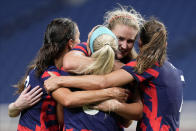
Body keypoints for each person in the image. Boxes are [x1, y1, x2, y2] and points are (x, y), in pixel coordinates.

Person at [44, 18, 185, 131]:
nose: (123, 45)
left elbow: (129, 119)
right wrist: (108, 67)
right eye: (120, 38)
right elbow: (69, 63)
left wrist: (115, 106)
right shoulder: (88, 47)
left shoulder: (137, 67)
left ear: (139, 43)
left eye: (130, 41)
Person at [9, 18, 81, 131]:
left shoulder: (38, 68)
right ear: (71, 44)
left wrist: (15, 106)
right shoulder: (50, 76)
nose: (80, 43)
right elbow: (68, 101)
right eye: (78, 38)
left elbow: (11, 112)